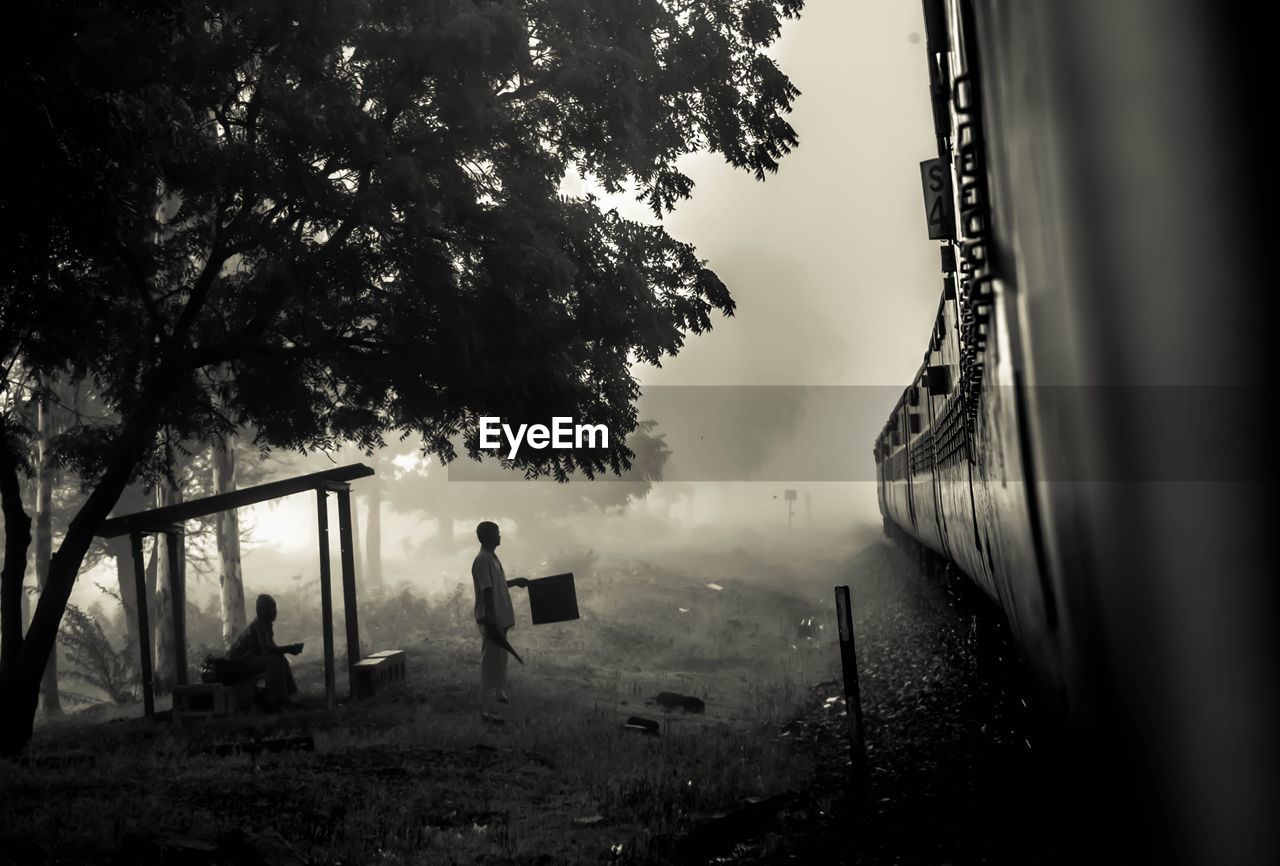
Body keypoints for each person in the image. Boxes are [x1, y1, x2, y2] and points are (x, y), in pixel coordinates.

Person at [471, 521, 528, 705]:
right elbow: (486, 588)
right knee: (490, 656)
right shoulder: (482, 560)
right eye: (496, 533)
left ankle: (499, 693)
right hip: (491, 615)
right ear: (487, 537)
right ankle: (486, 695)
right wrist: (491, 615)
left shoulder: (492, 558)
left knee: (500, 655)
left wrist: (515, 582)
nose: (499, 536)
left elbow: (497, 584)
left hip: (498, 614)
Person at [223, 593, 303, 711]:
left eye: (274, 608)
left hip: (245, 662)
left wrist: (287, 649)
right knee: (274, 661)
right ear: (260, 611)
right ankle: (273, 702)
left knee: (280, 658)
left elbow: (271, 648)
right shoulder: (258, 625)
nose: (274, 611)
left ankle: (285, 698)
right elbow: (267, 650)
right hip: (236, 665)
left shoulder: (264, 625)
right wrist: (289, 648)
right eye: (270, 608)